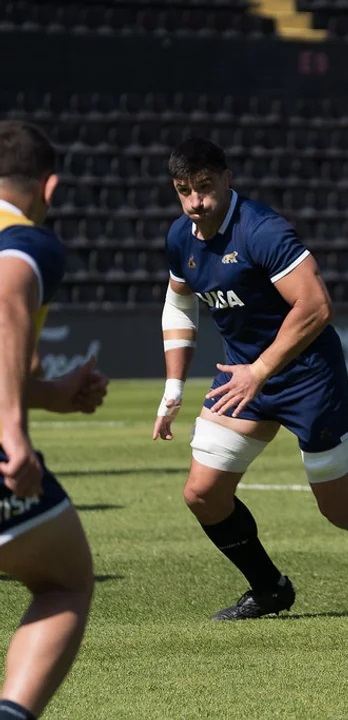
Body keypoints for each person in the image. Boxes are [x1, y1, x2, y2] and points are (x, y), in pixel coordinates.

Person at [151, 137, 348, 620]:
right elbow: (179, 300)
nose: (195, 202)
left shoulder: (261, 230)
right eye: (183, 191)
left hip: (308, 376)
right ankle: (270, 588)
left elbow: (316, 306)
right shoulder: (180, 236)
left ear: (227, 179)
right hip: (244, 378)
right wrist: (174, 387)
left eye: (204, 187)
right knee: (203, 494)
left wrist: (261, 370)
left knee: (342, 509)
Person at [0, 120, 108, 720]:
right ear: (50, 186)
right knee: (64, 581)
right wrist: (14, 432)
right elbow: (6, 296)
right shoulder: (26, 241)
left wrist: (48, 394)